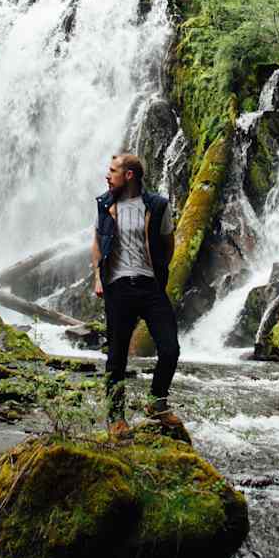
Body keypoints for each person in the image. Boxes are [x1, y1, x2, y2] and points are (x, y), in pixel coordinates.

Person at [91, 152, 182, 438]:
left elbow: (169, 244)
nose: (108, 175)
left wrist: (158, 272)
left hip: (149, 286)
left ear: (129, 175)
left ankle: (157, 401)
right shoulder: (105, 204)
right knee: (116, 356)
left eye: (113, 170)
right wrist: (97, 277)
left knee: (170, 348)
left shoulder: (157, 205)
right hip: (118, 288)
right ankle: (116, 417)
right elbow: (97, 241)